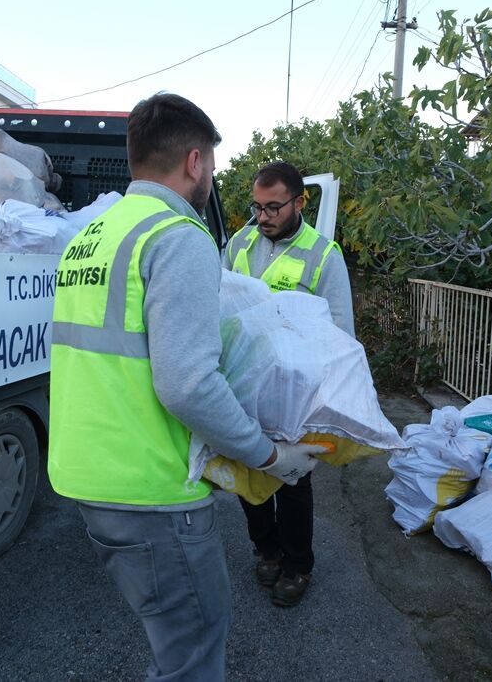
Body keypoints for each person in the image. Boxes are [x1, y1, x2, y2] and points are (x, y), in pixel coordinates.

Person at [47, 94, 327, 681]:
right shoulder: (178, 235)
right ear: (195, 162)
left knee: (175, 645)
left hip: (87, 474)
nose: (212, 180)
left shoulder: (93, 233)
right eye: (214, 168)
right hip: (149, 486)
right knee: (193, 655)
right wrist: (269, 457)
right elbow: (188, 384)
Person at [222, 161, 355, 607]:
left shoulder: (323, 254)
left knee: (293, 479)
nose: (262, 217)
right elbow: (220, 306)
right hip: (245, 384)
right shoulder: (238, 244)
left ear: (300, 202)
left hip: (296, 392)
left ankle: (298, 565)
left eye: (273, 207)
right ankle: (267, 549)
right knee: (248, 470)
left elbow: (341, 332)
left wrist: (330, 397)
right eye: (256, 207)